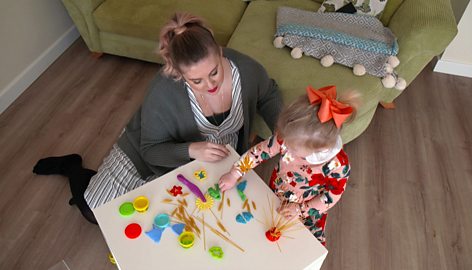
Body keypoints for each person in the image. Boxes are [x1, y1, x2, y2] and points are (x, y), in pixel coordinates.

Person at [33, 12, 283, 224]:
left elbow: (269, 93)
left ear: (219, 51)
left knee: (189, 214)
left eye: (214, 72)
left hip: (207, 162)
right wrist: (192, 150)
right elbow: (151, 150)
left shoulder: (246, 69)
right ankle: (72, 167)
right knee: (94, 212)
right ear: (178, 73)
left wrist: (284, 133)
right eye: (196, 81)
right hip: (149, 151)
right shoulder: (163, 91)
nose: (210, 84)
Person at [218, 85, 359, 245]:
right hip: (277, 192)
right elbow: (259, 152)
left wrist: (300, 210)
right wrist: (235, 173)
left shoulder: (338, 164)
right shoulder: (289, 136)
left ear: (318, 148)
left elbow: (331, 197)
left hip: (308, 210)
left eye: (293, 148)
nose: (285, 146)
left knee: (305, 245)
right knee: (264, 234)